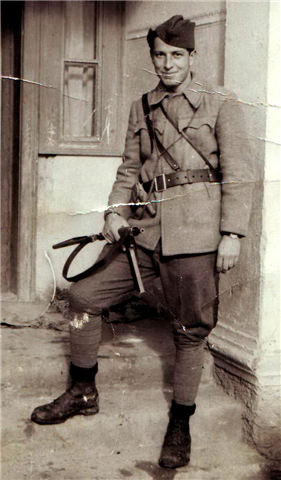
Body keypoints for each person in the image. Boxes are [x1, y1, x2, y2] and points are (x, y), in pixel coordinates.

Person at [31, 15, 253, 469]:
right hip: (145, 232)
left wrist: (231, 233)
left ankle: (181, 422)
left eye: (176, 55)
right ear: (151, 57)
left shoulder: (220, 103)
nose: (167, 64)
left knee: (190, 330)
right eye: (159, 55)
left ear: (192, 57)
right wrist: (113, 211)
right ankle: (83, 389)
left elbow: (240, 173)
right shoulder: (143, 106)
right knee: (84, 295)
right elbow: (129, 169)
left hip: (197, 235)